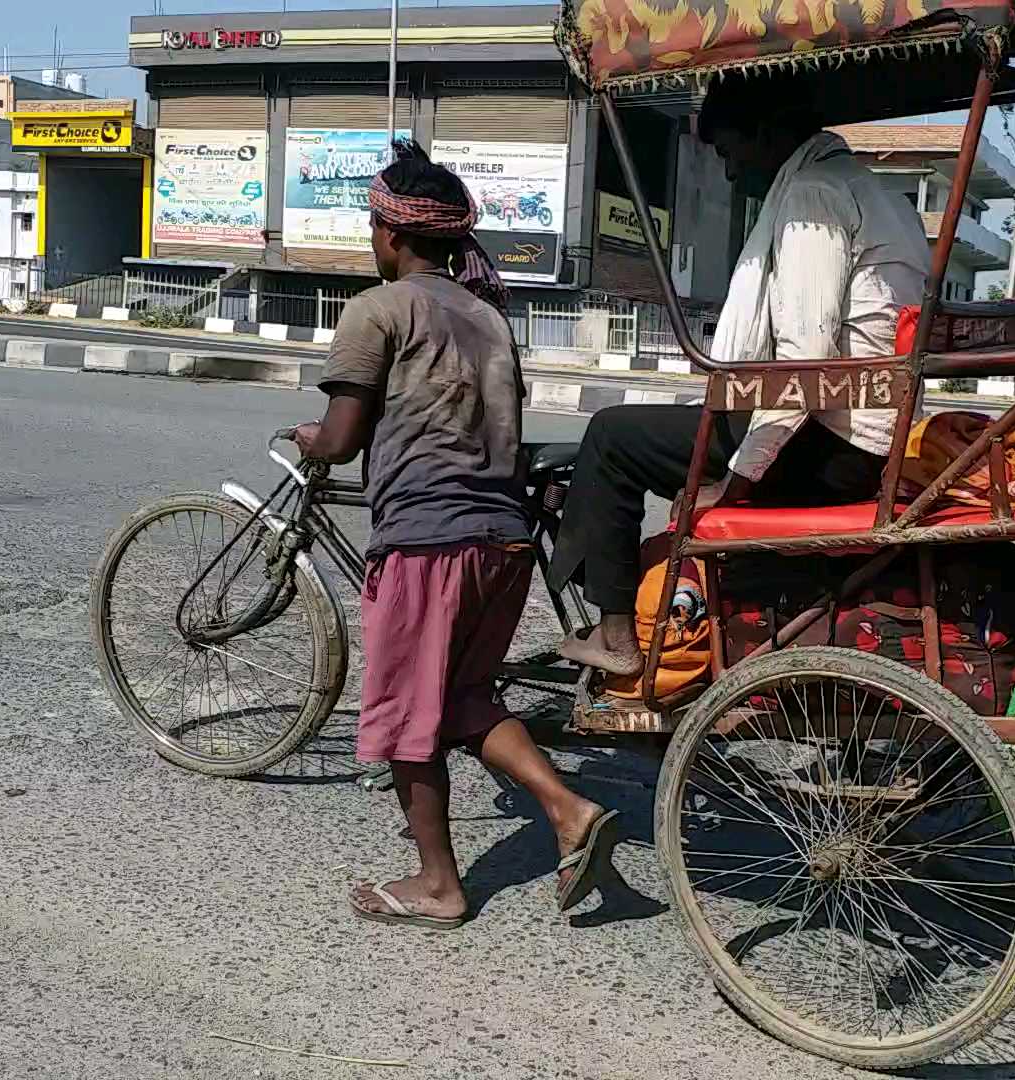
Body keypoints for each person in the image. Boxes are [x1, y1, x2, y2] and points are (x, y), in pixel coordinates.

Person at [294, 141, 620, 929]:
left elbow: (341, 439)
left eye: (374, 228)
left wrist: (310, 437)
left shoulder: (379, 309)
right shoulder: (486, 315)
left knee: (409, 712)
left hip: (428, 541)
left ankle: (439, 885)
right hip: (501, 541)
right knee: (465, 697)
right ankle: (570, 813)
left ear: (390, 235)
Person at [551, 75, 933, 676]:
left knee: (611, 437)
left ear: (769, 132)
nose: (730, 173)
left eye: (731, 152)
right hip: (866, 431)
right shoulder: (883, 195)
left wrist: (737, 480)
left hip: (831, 450)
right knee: (664, 425)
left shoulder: (813, 193)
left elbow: (802, 363)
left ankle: (616, 634)